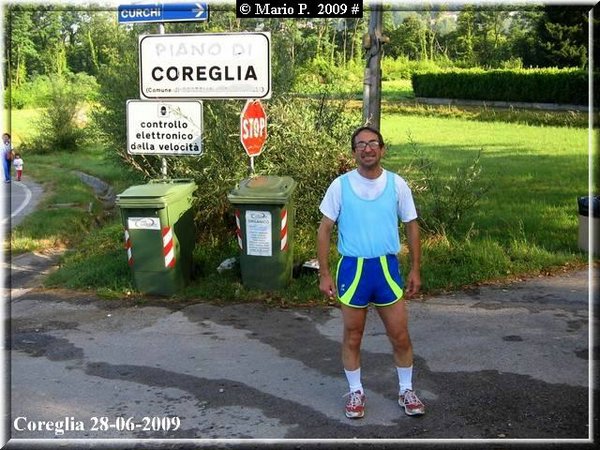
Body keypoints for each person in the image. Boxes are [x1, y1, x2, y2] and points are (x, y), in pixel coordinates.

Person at [317, 125, 424, 419]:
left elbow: (411, 225)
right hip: (353, 271)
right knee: (353, 336)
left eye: (373, 143)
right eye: (361, 144)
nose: (367, 148)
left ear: (382, 149)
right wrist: (324, 273)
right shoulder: (340, 186)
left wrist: (415, 268)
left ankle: (406, 390)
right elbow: (324, 229)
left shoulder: (397, 184)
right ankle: (356, 392)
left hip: (386, 269)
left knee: (400, 335)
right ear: (354, 152)